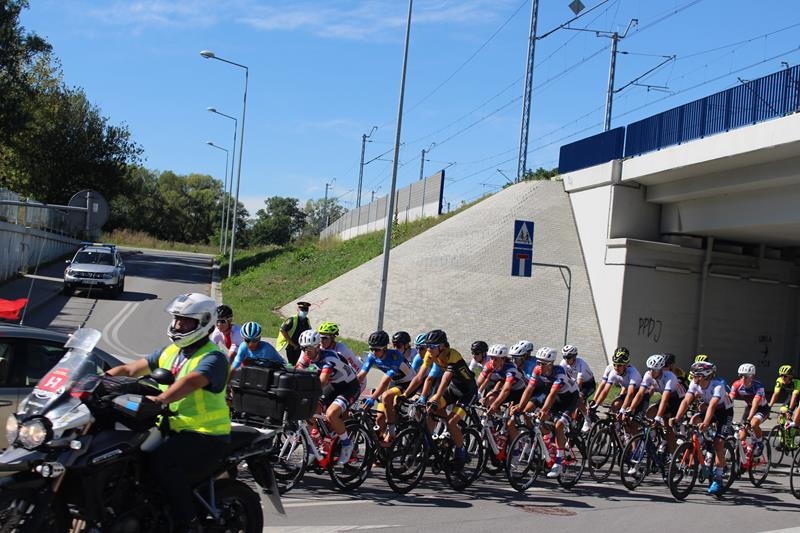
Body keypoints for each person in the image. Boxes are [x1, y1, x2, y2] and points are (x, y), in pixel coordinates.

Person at [107, 293, 230, 532]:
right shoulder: (170, 352)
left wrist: (161, 399)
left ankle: (187, 524)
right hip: (169, 428)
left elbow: (191, 381)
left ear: (204, 322)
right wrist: (98, 380)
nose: (178, 325)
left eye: (186, 321)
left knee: (163, 462)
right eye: (177, 319)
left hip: (205, 434)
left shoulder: (213, 358)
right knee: (128, 458)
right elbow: (131, 369)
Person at [401, 329, 477, 470]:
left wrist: (436, 398)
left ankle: (461, 450)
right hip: (454, 388)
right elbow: (420, 377)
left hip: (468, 392)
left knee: (451, 422)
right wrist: (405, 395)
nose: (428, 349)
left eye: (432, 346)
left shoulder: (452, 355)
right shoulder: (430, 354)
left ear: (442, 346)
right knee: (430, 410)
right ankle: (428, 445)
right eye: (427, 346)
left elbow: (445, 379)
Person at [509, 347, 579, 478]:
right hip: (557, 397)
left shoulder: (559, 373)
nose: (539, 365)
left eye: (542, 363)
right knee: (539, 420)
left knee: (559, 424)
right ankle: (550, 437)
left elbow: (552, 394)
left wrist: (543, 410)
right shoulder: (537, 370)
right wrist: (520, 406)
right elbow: (529, 389)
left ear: (550, 364)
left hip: (570, 398)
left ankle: (559, 461)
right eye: (538, 362)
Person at [295, 329, 360, 464]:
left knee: (331, 414)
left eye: (309, 348)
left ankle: (347, 444)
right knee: (309, 410)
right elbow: (296, 371)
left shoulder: (329, 359)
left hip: (349, 387)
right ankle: (315, 445)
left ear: (317, 347)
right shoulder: (307, 356)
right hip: (334, 386)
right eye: (303, 348)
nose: (306, 352)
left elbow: (322, 381)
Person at [670, 361, 734, 496]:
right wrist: (677, 417)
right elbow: (686, 401)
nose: (692, 378)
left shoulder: (718, 386)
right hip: (709, 409)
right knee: (693, 421)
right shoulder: (694, 384)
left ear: (703, 376)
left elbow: (713, 406)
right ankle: (703, 446)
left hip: (724, 413)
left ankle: (718, 478)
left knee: (718, 443)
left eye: (695, 375)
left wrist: (705, 423)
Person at [358, 330, 417, 445]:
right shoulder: (372, 356)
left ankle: (391, 431)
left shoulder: (395, 356)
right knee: (379, 418)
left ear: (385, 348)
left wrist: (372, 398)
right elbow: (361, 375)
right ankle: (382, 447)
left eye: (377, 350)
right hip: (395, 382)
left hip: (408, 384)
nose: (374, 352)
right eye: (371, 349)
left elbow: (385, 381)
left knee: (386, 396)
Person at [625, 353, 685, 452]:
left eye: (654, 370)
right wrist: (631, 408)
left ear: (661, 369)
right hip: (666, 398)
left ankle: (673, 454)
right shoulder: (648, 375)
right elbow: (640, 393)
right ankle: (656, 436)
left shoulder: (670, 377)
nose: (651, 372)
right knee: (649, 413)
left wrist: (658, 417)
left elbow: (665, 399)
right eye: (649, 369)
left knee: (667, 425)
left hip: (678, 399)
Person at [729, 363, 769, 456]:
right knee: (741, 435)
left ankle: (759, 442)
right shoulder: (736, 384)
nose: (743, 379)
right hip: (749, 408)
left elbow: (755, 404)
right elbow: (730, 398)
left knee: (753, 423)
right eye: (741, 376)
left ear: (752, 377)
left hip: (762, 408)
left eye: (746, 376)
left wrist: (748, 420)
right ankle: (743, 457)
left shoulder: (758, 386)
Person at [559, 345, 596, 433]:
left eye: (568, 357)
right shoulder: (563, 363)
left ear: (574, 356)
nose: (566, 359)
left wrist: (575, 394)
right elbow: (560, 377)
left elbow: (580, 381)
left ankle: (587, 419)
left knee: (579, 398)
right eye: (564, 357)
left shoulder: (581, 364)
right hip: (574, 382)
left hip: (587, 384)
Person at [276, 301, 312, 366]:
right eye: (302, 310)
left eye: (306, 310)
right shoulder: (292, 319)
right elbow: (283, 330)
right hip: (291, 347)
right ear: (298, 309)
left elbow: (309, 332)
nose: (304, 311)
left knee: (299, 364)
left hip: (300, 347)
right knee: (292, 364)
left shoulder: (307, 321)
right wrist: (293, 344)